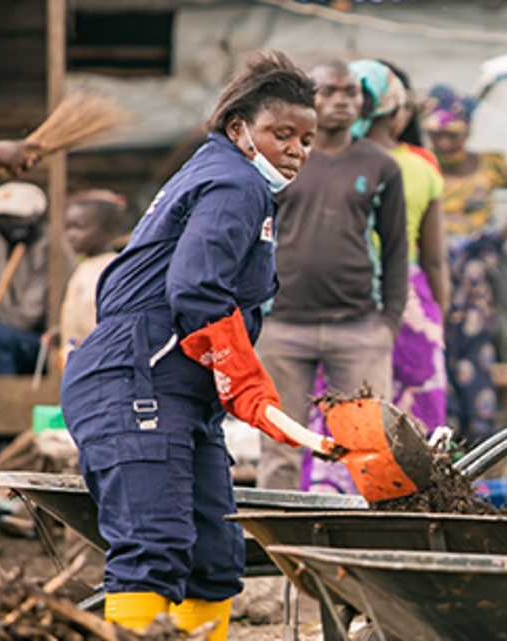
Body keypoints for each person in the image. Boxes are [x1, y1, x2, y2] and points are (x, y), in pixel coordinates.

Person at [60, 51, 318, 637]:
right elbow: (197, 289)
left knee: (213, 558)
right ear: (239, 130)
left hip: (179, 390)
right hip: (137, 380)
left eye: (307, 139)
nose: (298, 151)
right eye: (283, 134)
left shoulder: (222, 175)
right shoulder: (234, 181)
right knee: (154, 546)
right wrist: (244, 377)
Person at [255, 58, 408, 490]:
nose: (341, 100)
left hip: (359, 328)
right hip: (282, 326)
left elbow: (396, 249)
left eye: (351, 92)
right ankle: (274, 550)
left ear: (364, 101)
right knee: (279, 445)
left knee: (369, 449)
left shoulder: (381, 166)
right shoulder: (281, 161)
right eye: (329, 91)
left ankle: (364, 548)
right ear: (307, 98)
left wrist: (388, 323)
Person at [303, 60, 446, 494]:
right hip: (412, 304)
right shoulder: (420, 167)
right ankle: (410, 500)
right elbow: (435, 258)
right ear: (395, 109)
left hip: (340, 296)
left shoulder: (322, 160)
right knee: (408, 414)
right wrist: (440, 319)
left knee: (337, 408)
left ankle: (328, 494)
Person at [423, 84, 507, 445]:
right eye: (436, 134)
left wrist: (504, 234)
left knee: (475, 347)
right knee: (436, 345)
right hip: (434, 268)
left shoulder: (491, 164)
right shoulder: (422, 166)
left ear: (468, 130)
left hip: (476, 278)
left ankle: (477, 438)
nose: (444, 142)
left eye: (452, 134)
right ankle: (442, 432)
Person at [0, 181, 73, 374]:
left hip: (44, 342)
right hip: (4, 333)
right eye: (3, 219)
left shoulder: (52, 248)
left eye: (19, 218)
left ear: (36, 216)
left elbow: (29, 316)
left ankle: (5, 399)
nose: (11, 225)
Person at [58, 190, 125, 365]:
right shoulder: (83, 266)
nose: (70, 234)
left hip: (98, 362)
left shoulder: (111, 269)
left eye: (79, 227)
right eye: (68, 227)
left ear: (108, 231)